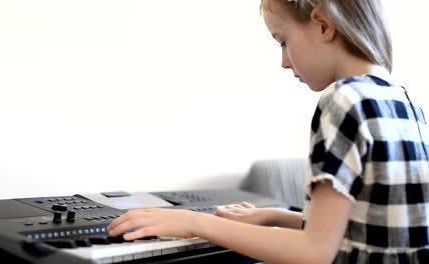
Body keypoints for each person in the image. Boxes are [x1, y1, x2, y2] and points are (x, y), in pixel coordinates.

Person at [107, 0, 429, 263]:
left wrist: (194, 223)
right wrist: (274, 215)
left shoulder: (343, 101)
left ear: (323, 25)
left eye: (283, 42)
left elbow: (314, 252)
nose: (284, 62)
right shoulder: (407, 104)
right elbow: (366, 227)